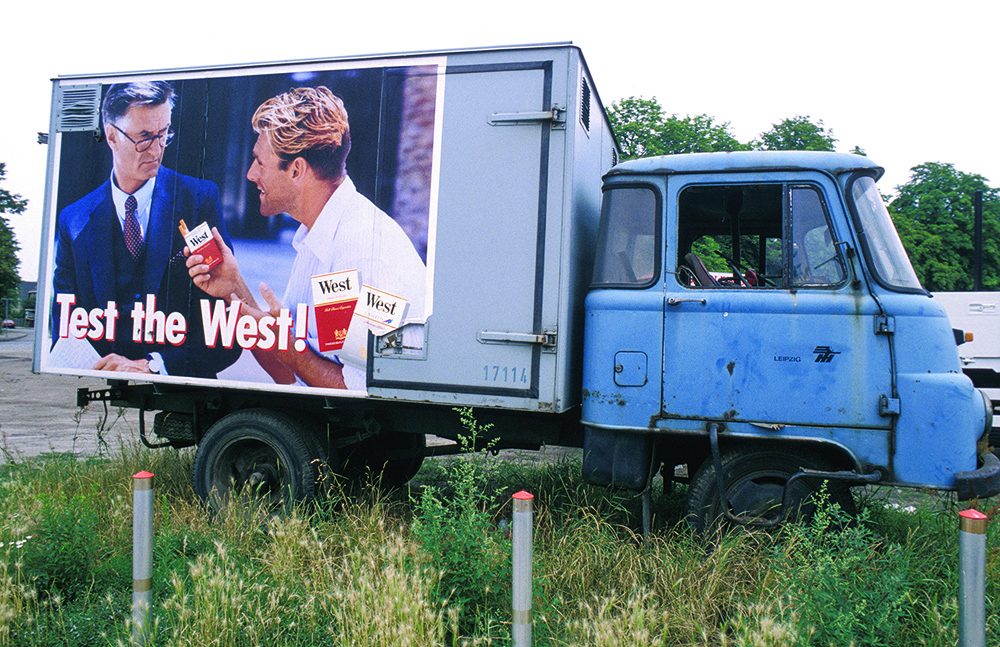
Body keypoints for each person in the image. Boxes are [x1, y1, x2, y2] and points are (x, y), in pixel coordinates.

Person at [187, 86, 426, 390]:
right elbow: (290, 372)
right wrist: (232, 287)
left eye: (259, 162)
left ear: (297, 169)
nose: (250, 174)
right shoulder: (321, 235)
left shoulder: (361, 252)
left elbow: (365, 394)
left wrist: (294, 355)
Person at [52, 81, 241, 378]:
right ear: (111, 136)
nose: (156, 149)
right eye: (143, 137)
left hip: (181, 385)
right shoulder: (73, 220)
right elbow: (64, 323)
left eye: (163, 134)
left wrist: (153, 366)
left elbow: (222, 335)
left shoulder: (199, 200)